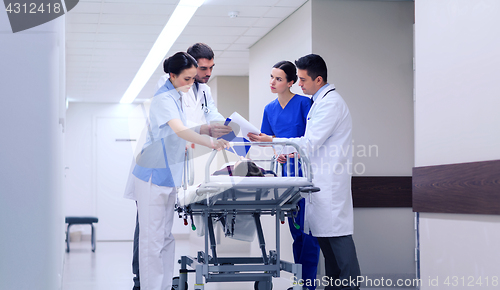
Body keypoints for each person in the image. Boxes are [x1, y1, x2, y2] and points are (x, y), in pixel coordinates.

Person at [248, 54, 361, 290]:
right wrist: (279, 148)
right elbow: (305, 144)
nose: (300, 84)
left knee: (337, 240)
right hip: (313, 180)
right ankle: (334, 287)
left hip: (328, 182)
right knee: (326, 242)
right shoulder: (319, 102)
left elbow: (309, 143)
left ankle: (349, 287)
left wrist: (275, 140)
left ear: (318, 79)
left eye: (302, 79)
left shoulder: (329, 103)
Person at [131, 43, 232, 290]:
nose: (191, 84)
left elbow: (199, 119)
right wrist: (210, 140)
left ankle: (163, 286)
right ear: (173, 75)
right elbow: (180, 129)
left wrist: (214, 129)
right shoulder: (164, 95)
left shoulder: (183, 92)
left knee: (165, 238)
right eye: (188, 78)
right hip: (153, 174)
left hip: (171, 173)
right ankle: (148, 286)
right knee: (151, 240)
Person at [259, 60, 320, 290]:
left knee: (308, 232)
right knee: (296, 231)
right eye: (272, 77)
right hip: (286, 175)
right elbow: (269, 140)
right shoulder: (269, 109)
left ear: (291, 82)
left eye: (279, 79)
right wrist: (278, 153)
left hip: (306, 172)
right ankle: (300, 281)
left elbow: (312, 138)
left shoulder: (305, 104)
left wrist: (294, 151)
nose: (272, 82)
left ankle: (308, 285)